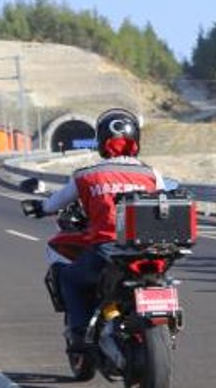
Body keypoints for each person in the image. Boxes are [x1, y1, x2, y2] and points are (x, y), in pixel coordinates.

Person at [29, 108, 165, 353]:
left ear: (102, 142)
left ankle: (79, 333)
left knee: (69, 278)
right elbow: (164, 200)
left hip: (106, 249)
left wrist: (41, 208)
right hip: (150, 250)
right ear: (135, 142)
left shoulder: (86, 176)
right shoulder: (151, 174)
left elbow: (54, 203)